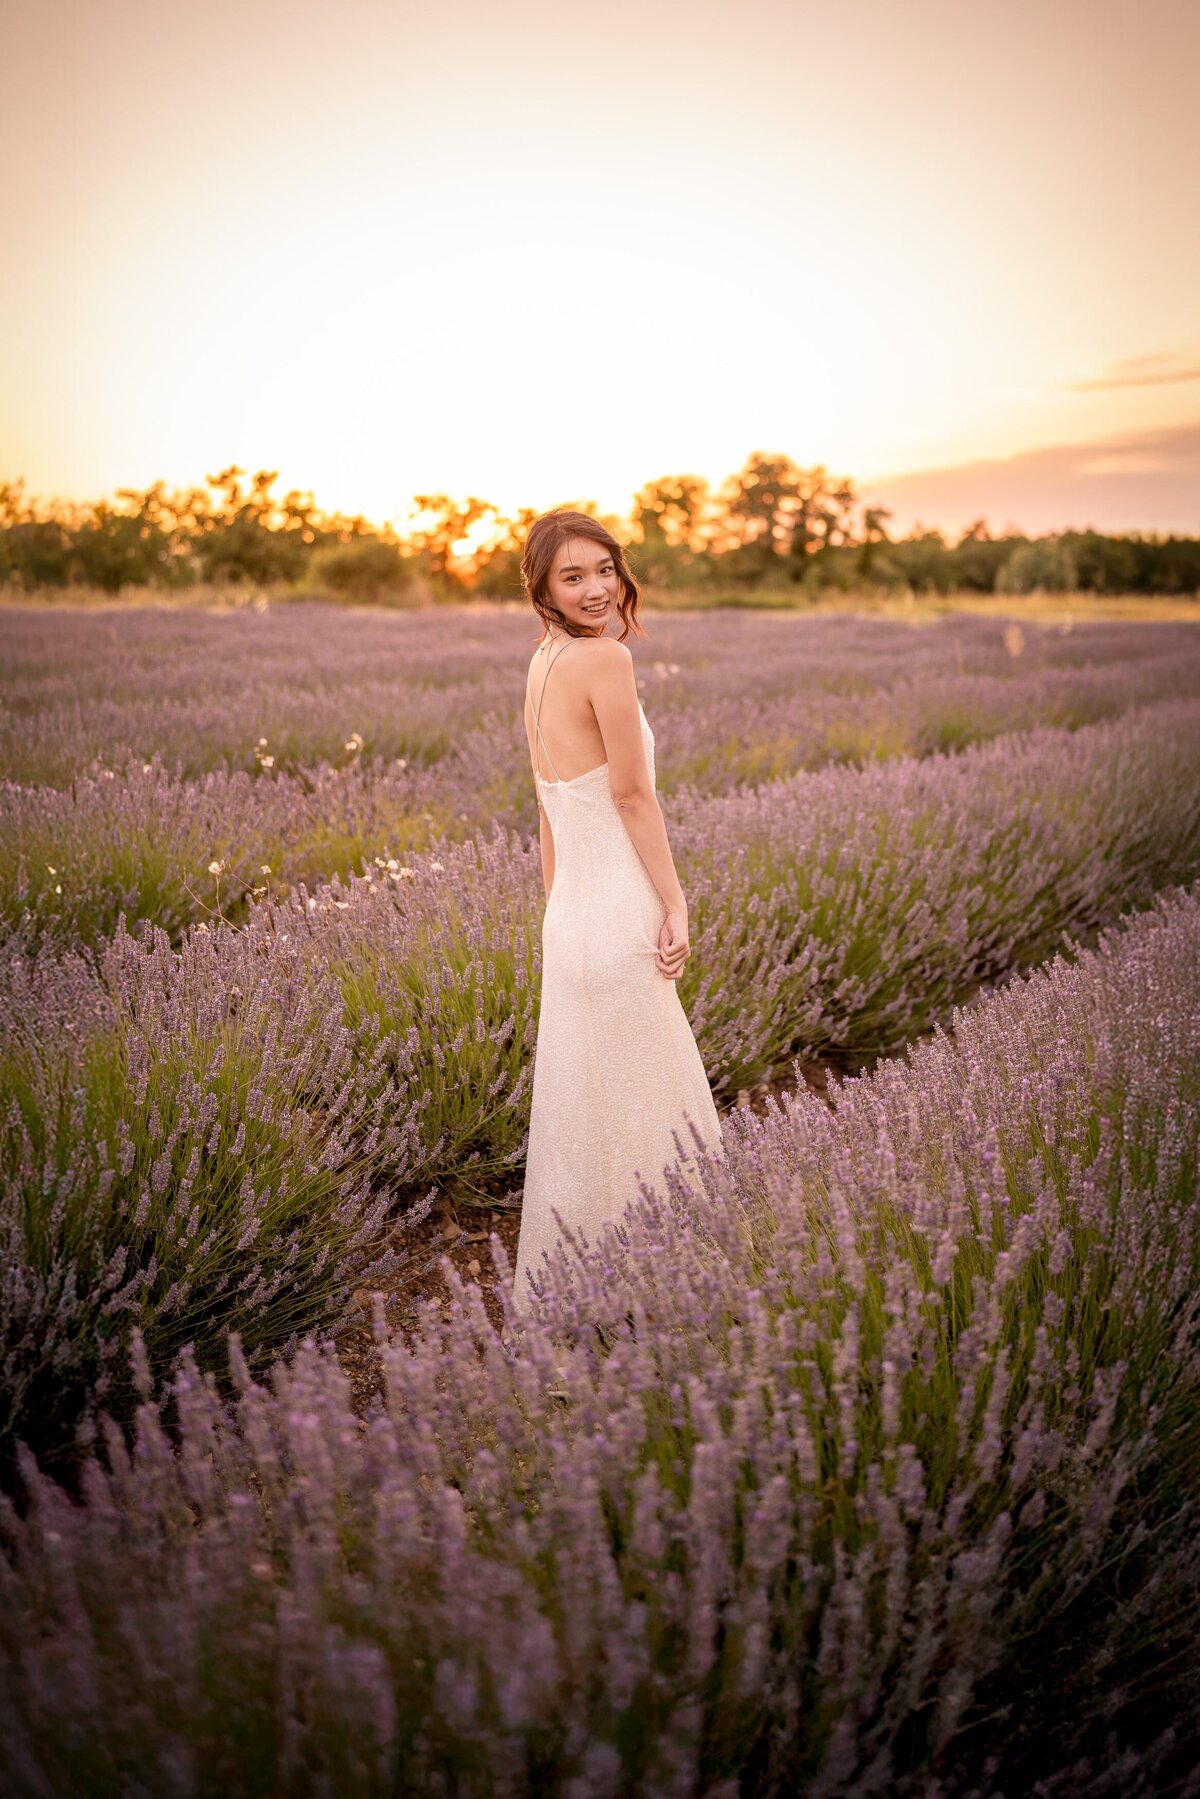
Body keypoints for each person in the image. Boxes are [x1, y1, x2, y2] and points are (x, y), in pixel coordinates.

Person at [511, 508, 723, 1315]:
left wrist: (558, 910)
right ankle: (661, 1299)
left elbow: (547, 806)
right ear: (543, 586)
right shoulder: (605, 659)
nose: (597, 588)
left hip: (572, 916)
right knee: (649, 1110)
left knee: (584, 1120)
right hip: (618, 909)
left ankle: (590, 1300)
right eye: (574, 575)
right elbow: (631, 795)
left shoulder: (542, 659)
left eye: (604, 568)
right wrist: (674, 900)